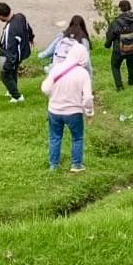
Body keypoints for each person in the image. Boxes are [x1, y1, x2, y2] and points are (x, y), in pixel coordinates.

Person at [40, 40, 94, 172]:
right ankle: (76, 165)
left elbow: (45, 89)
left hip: (54, 111)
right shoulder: (83, 74)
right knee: (77, 138)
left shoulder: (57, 68)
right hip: (74, 112)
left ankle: (54, 165)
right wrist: (89, 113)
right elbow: (87, 98)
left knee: (54, 137)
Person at [0, 1, 33, 103]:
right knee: (13, 71)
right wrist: (31, 38)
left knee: (5, 74)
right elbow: (28, 29)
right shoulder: (20, 17)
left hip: (8, 56)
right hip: (22, 52)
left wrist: (7, 64)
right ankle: (11, 90)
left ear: (2, 16)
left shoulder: (10, 30)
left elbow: (8, 49)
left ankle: (17, 96)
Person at [105, 0, 133, 90]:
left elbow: (110, 35)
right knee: (132, 65)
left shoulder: (115, 22)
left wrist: (107, 45)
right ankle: (131, 81)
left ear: (120, 9)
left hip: (119, 49)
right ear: (130, 7)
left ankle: (119, 85)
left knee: (115, 66)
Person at [38, 15, 94, 81]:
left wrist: (40, 55)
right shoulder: (83, 40)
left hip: (57, 70)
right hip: (74, 73)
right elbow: (86, 61)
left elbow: (49, 52)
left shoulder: (62, 35)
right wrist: (90, 77)